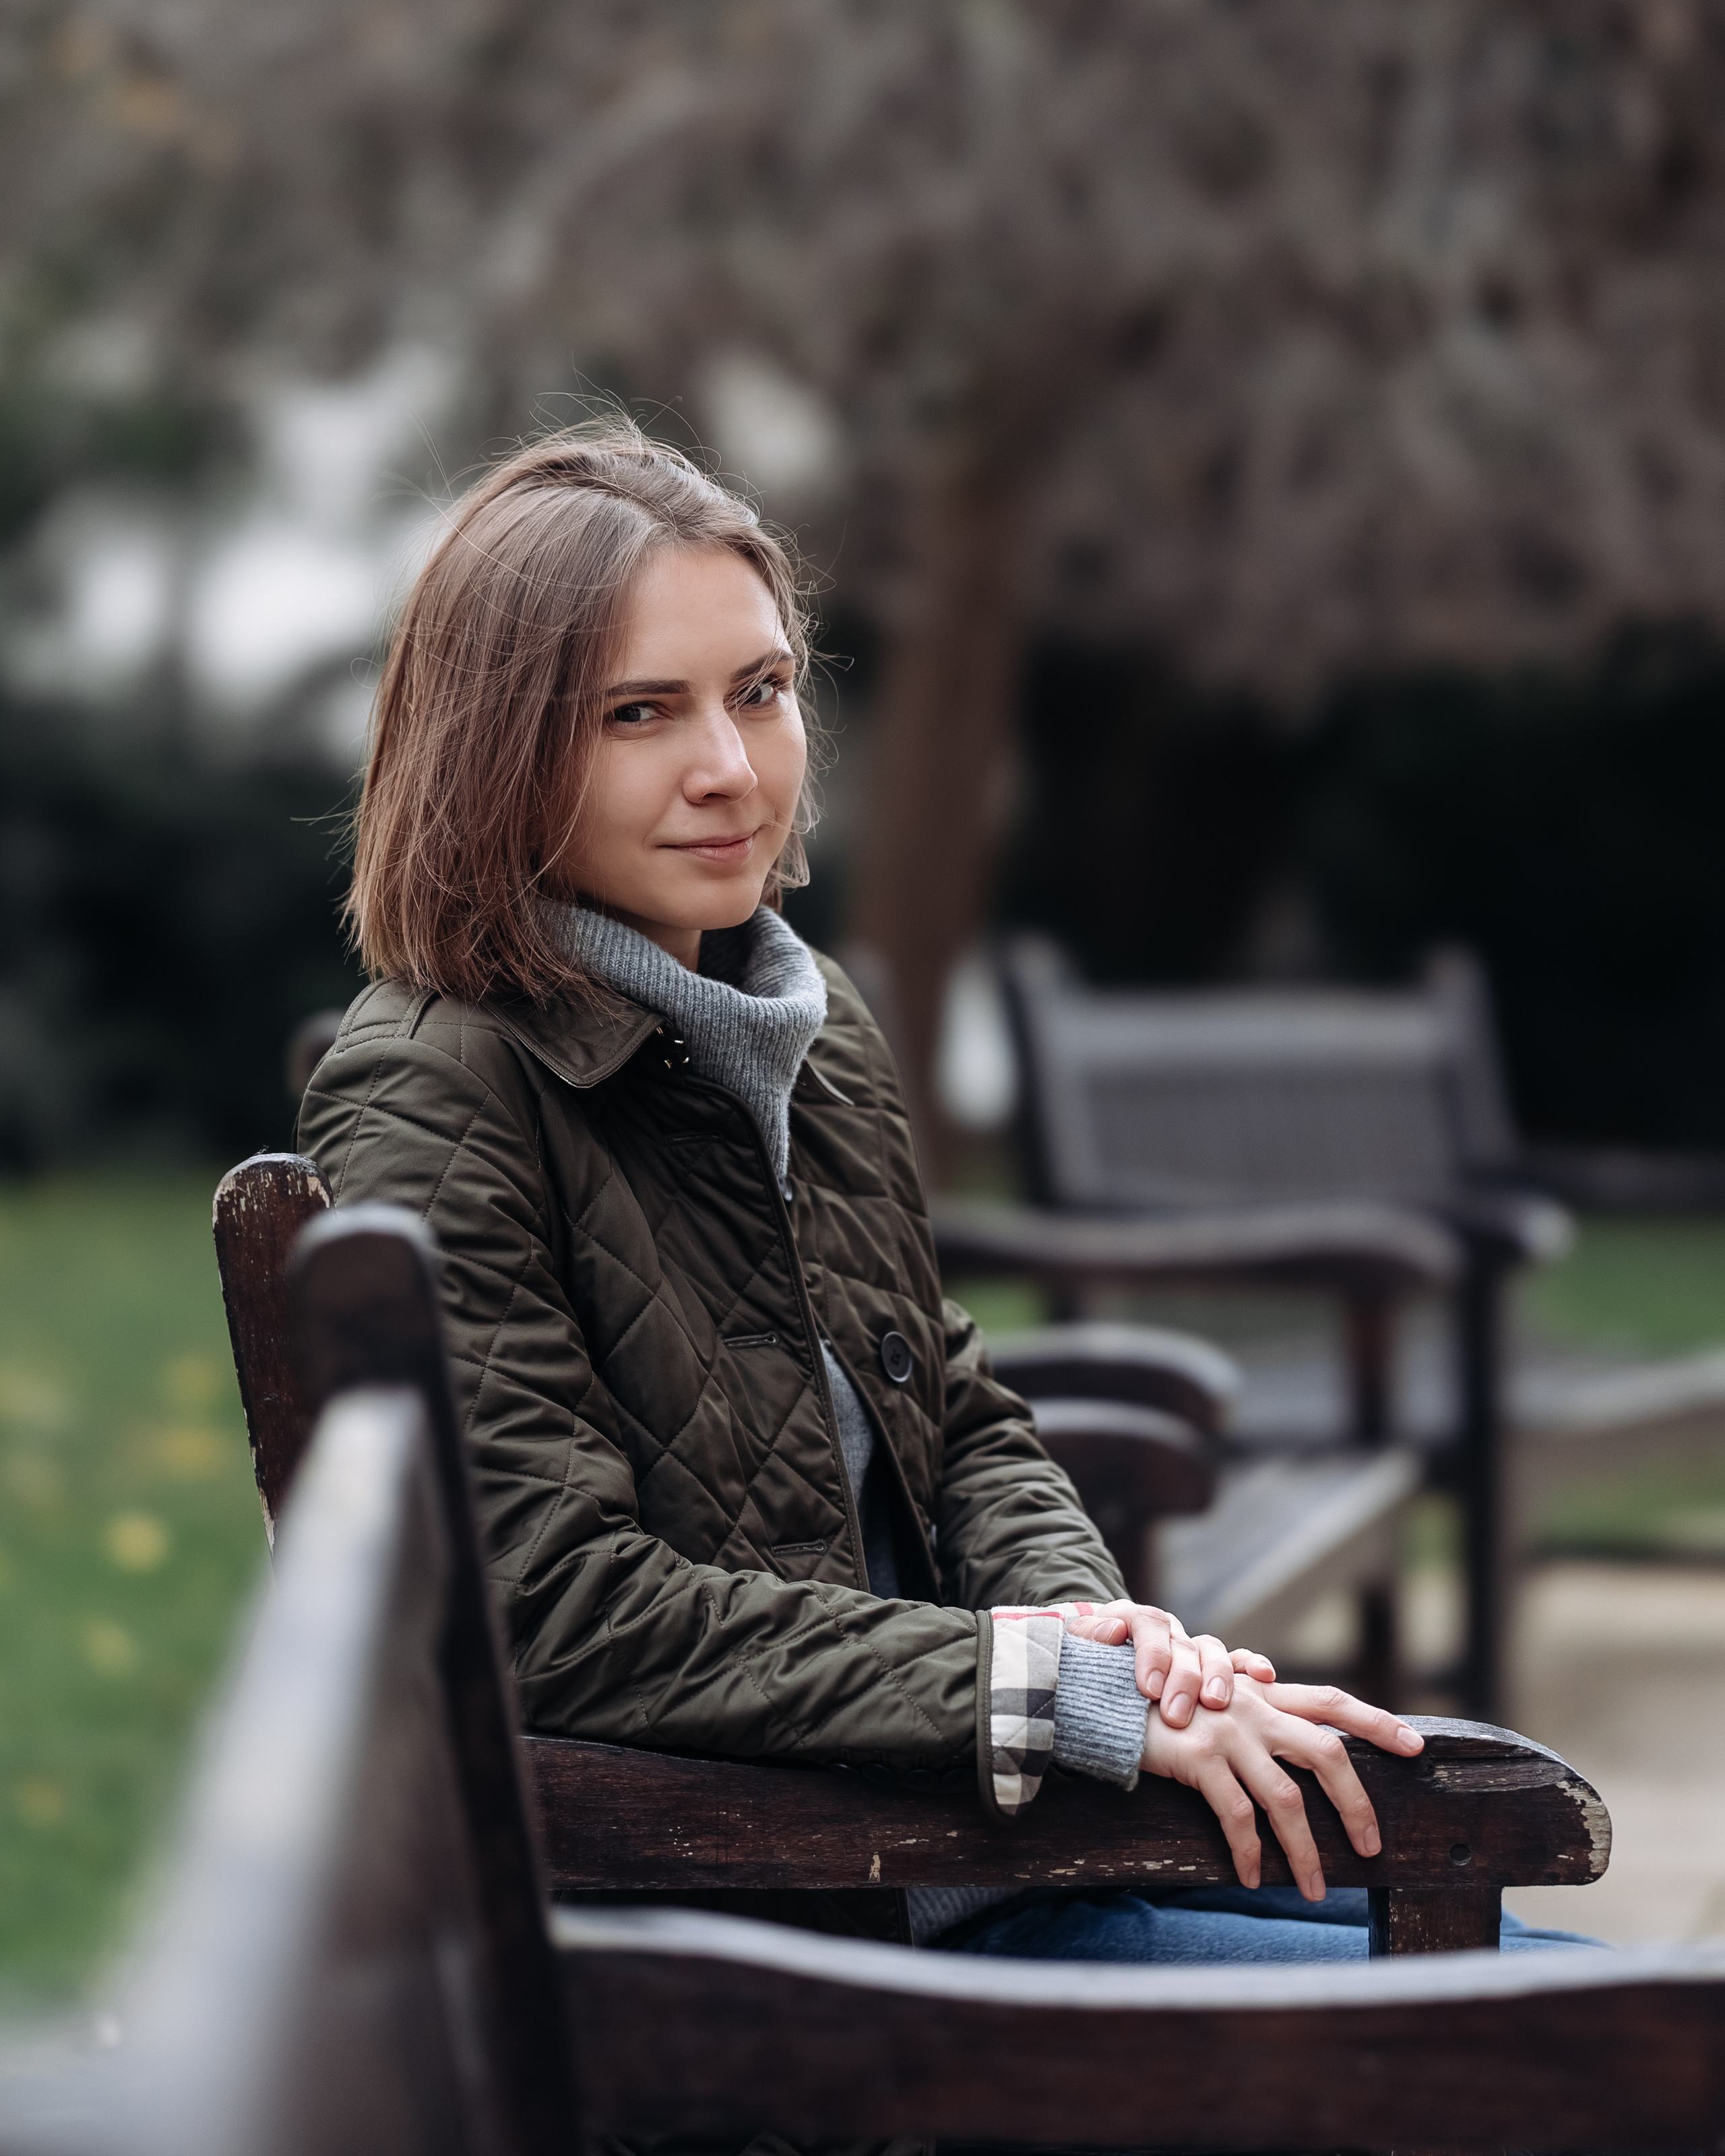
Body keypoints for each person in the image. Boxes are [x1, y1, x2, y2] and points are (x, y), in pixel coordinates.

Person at [298, 419, 1592, 1970]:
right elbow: (553, 1611)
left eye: (759, 692)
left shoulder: (804, 1021)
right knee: (1588, 2054)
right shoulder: (437, 1086)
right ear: (495, 747)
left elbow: (957, 1412)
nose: (729, 768)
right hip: (808, 1936)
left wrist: (1113, 1649)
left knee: (1545, 1970)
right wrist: (1040, 1694)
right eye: (639, 714)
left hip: (1002, 1829)